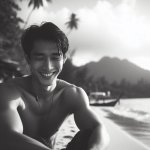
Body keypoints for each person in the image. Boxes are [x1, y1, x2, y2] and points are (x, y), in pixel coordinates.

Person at [0, 22, 109, 150]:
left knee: (89, 136)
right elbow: (7, 137)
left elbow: (99, 129)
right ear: (28, 59)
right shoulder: (9, 92)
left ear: (64, 59)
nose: (48, 66)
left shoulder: (72, 95)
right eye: (40, 57)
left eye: (55, 57)